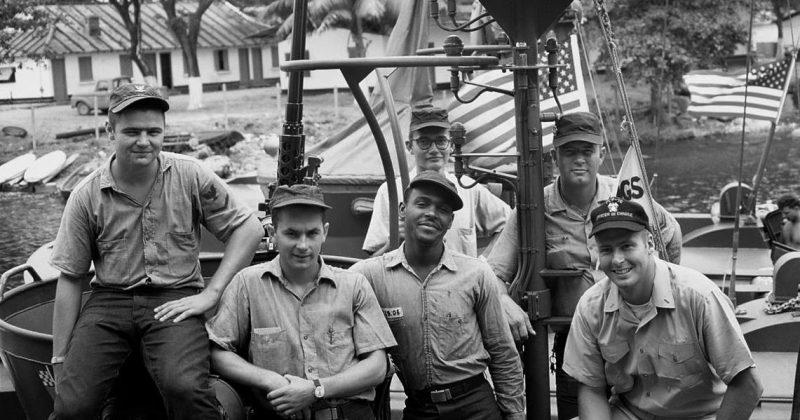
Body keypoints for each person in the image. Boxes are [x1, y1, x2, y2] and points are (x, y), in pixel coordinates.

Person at [49, 83, 264, 420]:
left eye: (154, 131)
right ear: (110, 131)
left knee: (186, 390)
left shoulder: (190, 175)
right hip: (110, 301)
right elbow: (71, 277)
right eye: (132, 132)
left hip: (175, 297)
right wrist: (60, 358)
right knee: (73, 406)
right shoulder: (86, 194)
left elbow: (249, 228)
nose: (144, 141)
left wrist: (211, 294)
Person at [486, 111, 682, 420]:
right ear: (555, 156)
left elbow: (669, 233)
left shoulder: (624, 195)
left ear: (601, 153)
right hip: (576, 342)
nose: (579, 159)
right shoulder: (534, 207)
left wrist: (663, 292)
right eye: (570, 151)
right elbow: (494, 272)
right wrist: (502, 299)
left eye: (587, 151)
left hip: (637, 336)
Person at [206, 184, 397, 420]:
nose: (303, 245)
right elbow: (218, 352)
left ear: (324, 232)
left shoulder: (353, 285)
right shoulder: (248, 284)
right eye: (292, 234)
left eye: (312, 233)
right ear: (274, 233)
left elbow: (377, 366)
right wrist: (269, 379)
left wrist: (315, 389)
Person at [563, 197, 763, 419]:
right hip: (631, 413)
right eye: (607, 250)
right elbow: (591, 388)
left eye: (627, 246)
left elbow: (748, 384)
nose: (618, 260)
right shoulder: (591, 308)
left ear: (649, 244)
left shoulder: (699, 297)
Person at [351, 170, 525, 420]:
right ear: (402, 209)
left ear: (450, 221)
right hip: (420, 408)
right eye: (422, 204)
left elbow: (501, 351)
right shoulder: (370, 276)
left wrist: (515, 413)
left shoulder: (476, 273)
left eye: (442, 209)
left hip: (476, 405)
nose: (432, 213)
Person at [362, 105, 510, 259]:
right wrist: (393, 244)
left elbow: (510, 223)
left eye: (441, 141)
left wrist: (486, 265)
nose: (434, 150)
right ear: (409, 147)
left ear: (451, 145)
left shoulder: (468, 188)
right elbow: (373, 261)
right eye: (424, 142)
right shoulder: (390, 192)